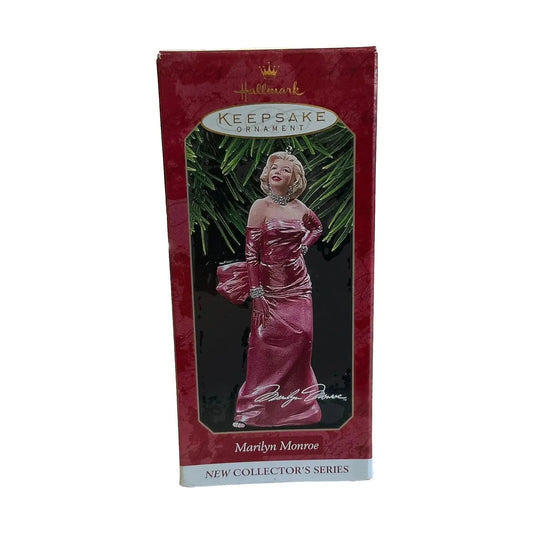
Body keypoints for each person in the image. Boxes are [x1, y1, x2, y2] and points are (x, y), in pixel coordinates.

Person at [216, 150, 323, 428]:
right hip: (269, 286)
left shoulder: (301, 208)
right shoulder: (260, 206)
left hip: (299, 284)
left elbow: (317, 228)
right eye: (274, 167)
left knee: (303, 339)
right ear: (267, 173)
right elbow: (251, 254)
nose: (278, 172)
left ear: (294, 179)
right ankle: (250, 410)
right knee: (263, 345)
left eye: (286, 170)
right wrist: (257, 293)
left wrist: (304, 245)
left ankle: (297, 408)